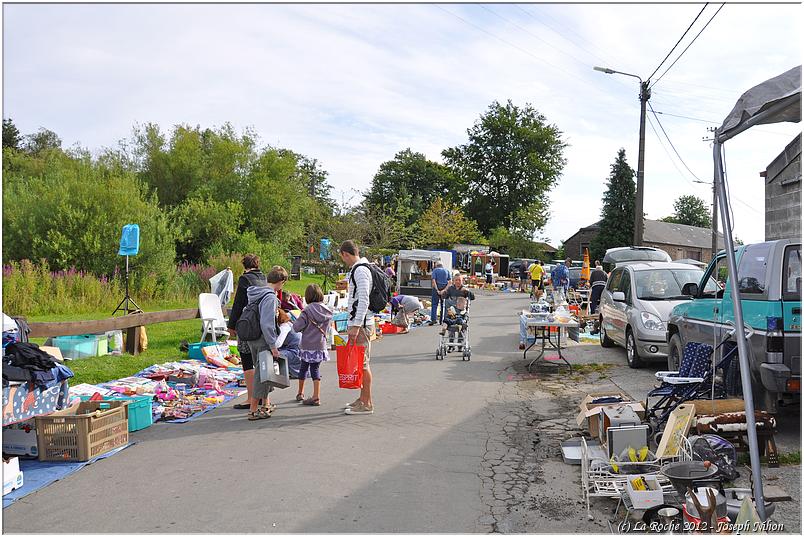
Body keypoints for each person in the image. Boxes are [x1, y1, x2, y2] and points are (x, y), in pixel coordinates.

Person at [243, 265, 288, 420]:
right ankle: (253, 410)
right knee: (262, 374)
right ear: (281, 281)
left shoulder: (256, 293)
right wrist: (273, 346)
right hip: (263, 339)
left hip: (252, 337)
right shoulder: (269, 297)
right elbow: (267, 323)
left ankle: (265, 404)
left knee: (261, 370)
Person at [227, 254, 267, 411]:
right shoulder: (264, 278)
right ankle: (263, 397)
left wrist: (232, 326)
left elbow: (238, 304)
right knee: (260, 361)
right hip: (261, 324)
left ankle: (251, 397)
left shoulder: (245, 279)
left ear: (245, 265)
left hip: (247, 323)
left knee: (246, 359)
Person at [339, 240, 375, 415]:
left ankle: (367, 403)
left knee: (363, 364)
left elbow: (363, 300)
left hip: (362, 324)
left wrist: (356, 325)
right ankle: (363, 399)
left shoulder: (360, 270)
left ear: (346, 254)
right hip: (362, 323)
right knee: (361, 363)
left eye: (343, 257)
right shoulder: (362, 268)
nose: (343, 261)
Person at [292, 284, 333, 406]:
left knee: (303, 368)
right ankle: (316, 395)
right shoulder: (328, 311)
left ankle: (301, 393)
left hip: (306, 345)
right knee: (315, 368)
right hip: (320, 345)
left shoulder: (306, 311)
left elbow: (296, 327)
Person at [429, 261, 451, 325]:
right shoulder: (447, 271)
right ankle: (442, 320)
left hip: (436, 290)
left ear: (436, 265)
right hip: (444, 289)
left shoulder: (435, 271)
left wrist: (437, 290)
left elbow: (433, 281)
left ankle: (433, 320)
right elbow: (450, 282)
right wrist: (444, 290)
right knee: (443, 305)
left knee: (434, 304)